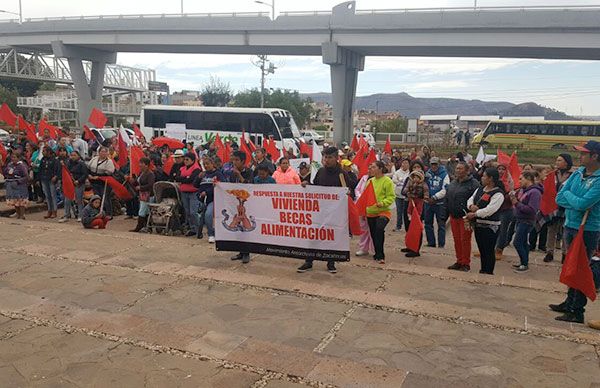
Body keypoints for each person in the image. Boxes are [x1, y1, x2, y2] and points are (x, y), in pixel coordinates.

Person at [550, 141, 600, 324]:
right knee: (570, 264)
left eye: (584, 154)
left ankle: (577, 310)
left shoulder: (598, 180)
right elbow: (559, 196)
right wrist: (574, 200)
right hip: (570, 224)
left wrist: (572, 199)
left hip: (586, 229)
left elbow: (582, 204)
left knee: (580, 268)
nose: (580, 157)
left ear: (594, 156)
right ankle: (569, 301)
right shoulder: (578, 173)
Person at [297, 146, 350, 274]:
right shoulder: (320, 171)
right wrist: (307, 185)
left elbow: (347, 192)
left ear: (336, 158)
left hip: (334, 214)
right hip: (319, 211)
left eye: (330, 157)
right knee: (313, 236)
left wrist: (347, 193)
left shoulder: (342, 174)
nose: (327, 160)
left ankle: (331, 262)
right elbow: (316, 188)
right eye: (325, 157)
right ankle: (309, 261)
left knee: (332, 237)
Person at [466, 168, 505, 275]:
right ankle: (483, 269)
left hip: (491, 227)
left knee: (488, 250)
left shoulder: (498, 193)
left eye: (484, 176)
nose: (482, 178)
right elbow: (471, 198)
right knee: (482, 249)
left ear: (491, 178)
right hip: (478, 225)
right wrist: (471, 206)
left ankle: (488, 271)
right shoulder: (480, 189)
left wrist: (475, 213)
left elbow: (490, 210)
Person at [446, 161, 480, 271]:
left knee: (465, 240)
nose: (458, 170)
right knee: (456, 240)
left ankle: (465, 263)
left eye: (461, 169)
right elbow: (448, 198)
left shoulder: (473, 184)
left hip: (465, 218)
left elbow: (478, 199)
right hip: (454, 215)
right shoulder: (453, 183)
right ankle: (459, 260)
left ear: (467, 171)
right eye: (457, 168)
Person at [510, 171, 543, 273]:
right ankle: (524, 262)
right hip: (520, 219)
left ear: (528, 179)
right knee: (523, 242)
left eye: (521, 179)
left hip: (527, 220)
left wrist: (517, 203)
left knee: (517, 242)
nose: (519, 181)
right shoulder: (523, 190)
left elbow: (532, 209)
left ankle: (524, 264)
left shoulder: (534, 192)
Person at [543, 154, 573, 263]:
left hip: (566, 207)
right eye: (557, 160)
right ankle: (549, 252)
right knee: (551, 230)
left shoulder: (572, 176)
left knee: (566, 231)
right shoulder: (552, 175)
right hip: (553, 207)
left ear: (566, 162)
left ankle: (565, 253)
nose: (557, 162)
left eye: (560, 160)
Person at [366, 161, 396, 264]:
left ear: (380, 168)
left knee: (379, 229)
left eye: (373, 167)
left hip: (383, 211)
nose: (371, 169)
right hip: (370, 211)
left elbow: (391, 196)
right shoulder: (370, 181)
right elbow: (365, 196)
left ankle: (381, 254)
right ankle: (377, 253)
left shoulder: (387, 181)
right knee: (374, 234)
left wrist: (383, 203)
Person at [228, 150, 254, 264]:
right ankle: (240, 251)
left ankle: (246, 253)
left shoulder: (249, 172)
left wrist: (239, 175)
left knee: (245, 227)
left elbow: (249, 185)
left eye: (237, 160)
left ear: (243, 161)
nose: (234, 162)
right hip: (236, 202)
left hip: (247, 203)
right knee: (238, 228)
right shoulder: (232, 173)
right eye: (233, 160)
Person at [401, 161, 429, 258]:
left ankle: (416, 249)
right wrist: (409, 194)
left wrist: (421, 195)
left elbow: (427, 192)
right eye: (414, 167)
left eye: (418, 167)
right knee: (408, 227)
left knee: (417, 227)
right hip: (408, 204)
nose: (416, 169)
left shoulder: (425, 181)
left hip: (419, 206)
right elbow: (403, 191)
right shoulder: (409, 179)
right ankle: (410, 245)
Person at [195, 156, 225, 243]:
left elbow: (221, 185)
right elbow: (196, 185)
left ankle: (211, 235)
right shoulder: (204, 174)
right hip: (203, 200)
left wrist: (207, 192)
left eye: (207, 164)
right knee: (202, 218)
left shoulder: (218, 174)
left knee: (208, 215)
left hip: (214, 198)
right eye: (204, 164)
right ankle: (200, 233)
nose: (206, 166)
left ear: (213, 164)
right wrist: (198, 178)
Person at [424, 157, 450, 248]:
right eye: (432, 164)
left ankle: (441, 244)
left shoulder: (444, 174)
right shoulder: (427, 174)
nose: (434, 166)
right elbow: (424, 185)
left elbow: (445, 189)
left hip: (440, 203)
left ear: (439, 164)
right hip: (428, 202)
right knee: (427, 223)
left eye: (435, 164)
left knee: (441, 224)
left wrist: (435, 197)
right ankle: (431, 242)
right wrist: (426, 196)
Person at [59, 151, 88, 223]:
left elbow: (85, 174)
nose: (73, 156)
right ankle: (66, 215)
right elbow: (67, 172)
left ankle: (80, 216)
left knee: (79, 200)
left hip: (79, 184)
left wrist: (78, 181)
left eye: (74, 155)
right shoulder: (69, 163)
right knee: (67, 200)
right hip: (70, 184)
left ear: (78, 156)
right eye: (71, 155)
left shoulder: (82, 164)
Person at [494, 163, 516, 260]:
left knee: (502, 231)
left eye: (503, 169)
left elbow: (510, 199)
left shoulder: (510, 183)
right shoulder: (494, 181)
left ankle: (499, 249)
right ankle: (491, 249)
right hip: (496, 210)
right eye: (499, 169)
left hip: (506, 210)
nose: (501, 171)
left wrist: (510, 191)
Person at [177, 153, 201, 237]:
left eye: (187, 159)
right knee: (187, 212)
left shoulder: (197, 168)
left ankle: (198, 229)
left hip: (194, 192)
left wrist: (184, 179)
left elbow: (192, 179)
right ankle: (193, 228)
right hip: (184, 192)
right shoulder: (182, 168)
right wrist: (186, 178)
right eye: (185, 159)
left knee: (193, 212)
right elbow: (177, 177)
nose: (185, 161)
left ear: (192, 160)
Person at [87, 146, 116, 217]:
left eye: (105, 152)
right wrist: (89, 175)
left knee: (105, 198)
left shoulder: (109, 161)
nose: (103, 153)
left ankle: (109, 214)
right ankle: (99, 212)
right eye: (102, 151)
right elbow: (88, 168)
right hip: (94, 182)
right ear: (99, 152)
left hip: (104, 183)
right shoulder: (94, 159)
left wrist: (99, 177)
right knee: (97, 198)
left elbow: (109, 172)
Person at [129, 157, 155, 233]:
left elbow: (150, 185)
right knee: (146, 211)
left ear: (146, 165)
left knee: (142, 210)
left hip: (148, 194)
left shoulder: (150, 174)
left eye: (141, 163)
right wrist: (133, 182)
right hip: (142, 194)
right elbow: (137, 183)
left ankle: (139, 226)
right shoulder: (141, 173)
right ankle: (147, 226)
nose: (140, 165)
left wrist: (141, 187)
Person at [3, 152, 29, 219]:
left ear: (18, 158)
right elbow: (5, 173)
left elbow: (26, 176)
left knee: (21, 201)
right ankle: (18, 214)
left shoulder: (22, 166)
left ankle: (22, 215)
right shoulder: (10, 165)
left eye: (14, 157)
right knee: (15, 201)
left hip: (20, 186)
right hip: (12, 185)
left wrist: (18, 181)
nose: (13, 159)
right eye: (12, 157)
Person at [355, 172, 375, 257]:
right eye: (370, 167)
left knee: (374, 229)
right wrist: (361, 197)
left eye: (373, 167)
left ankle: (375, 249)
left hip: (374, 206)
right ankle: (363, 248)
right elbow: (357, 189)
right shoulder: (364, 178)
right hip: (362, 205)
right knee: (363, 228)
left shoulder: (380, 180)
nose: (370, 169)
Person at [39, 146, 60, 219]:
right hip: (44, 179)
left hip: (52, 180)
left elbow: (58, 170)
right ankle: (49, 210)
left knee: (53, 195)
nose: (42, 152)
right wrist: (39, 179)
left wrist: (56, 176)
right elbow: (40, 169)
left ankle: (54, 211)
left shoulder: (55, 160)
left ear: (48, 152)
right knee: (47, 196)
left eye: (44, 151)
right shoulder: (43, 159)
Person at [392, 158, 410, 231]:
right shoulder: (397, 172)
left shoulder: (410, 173)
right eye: (403, 163)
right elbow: (394, 180)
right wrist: (399, 182)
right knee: (399, 211)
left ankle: (407, 227)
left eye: (406, 163)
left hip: (407, 196)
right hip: (398, 195)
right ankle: (398, 226)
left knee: (406, 212)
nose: (404, 164)